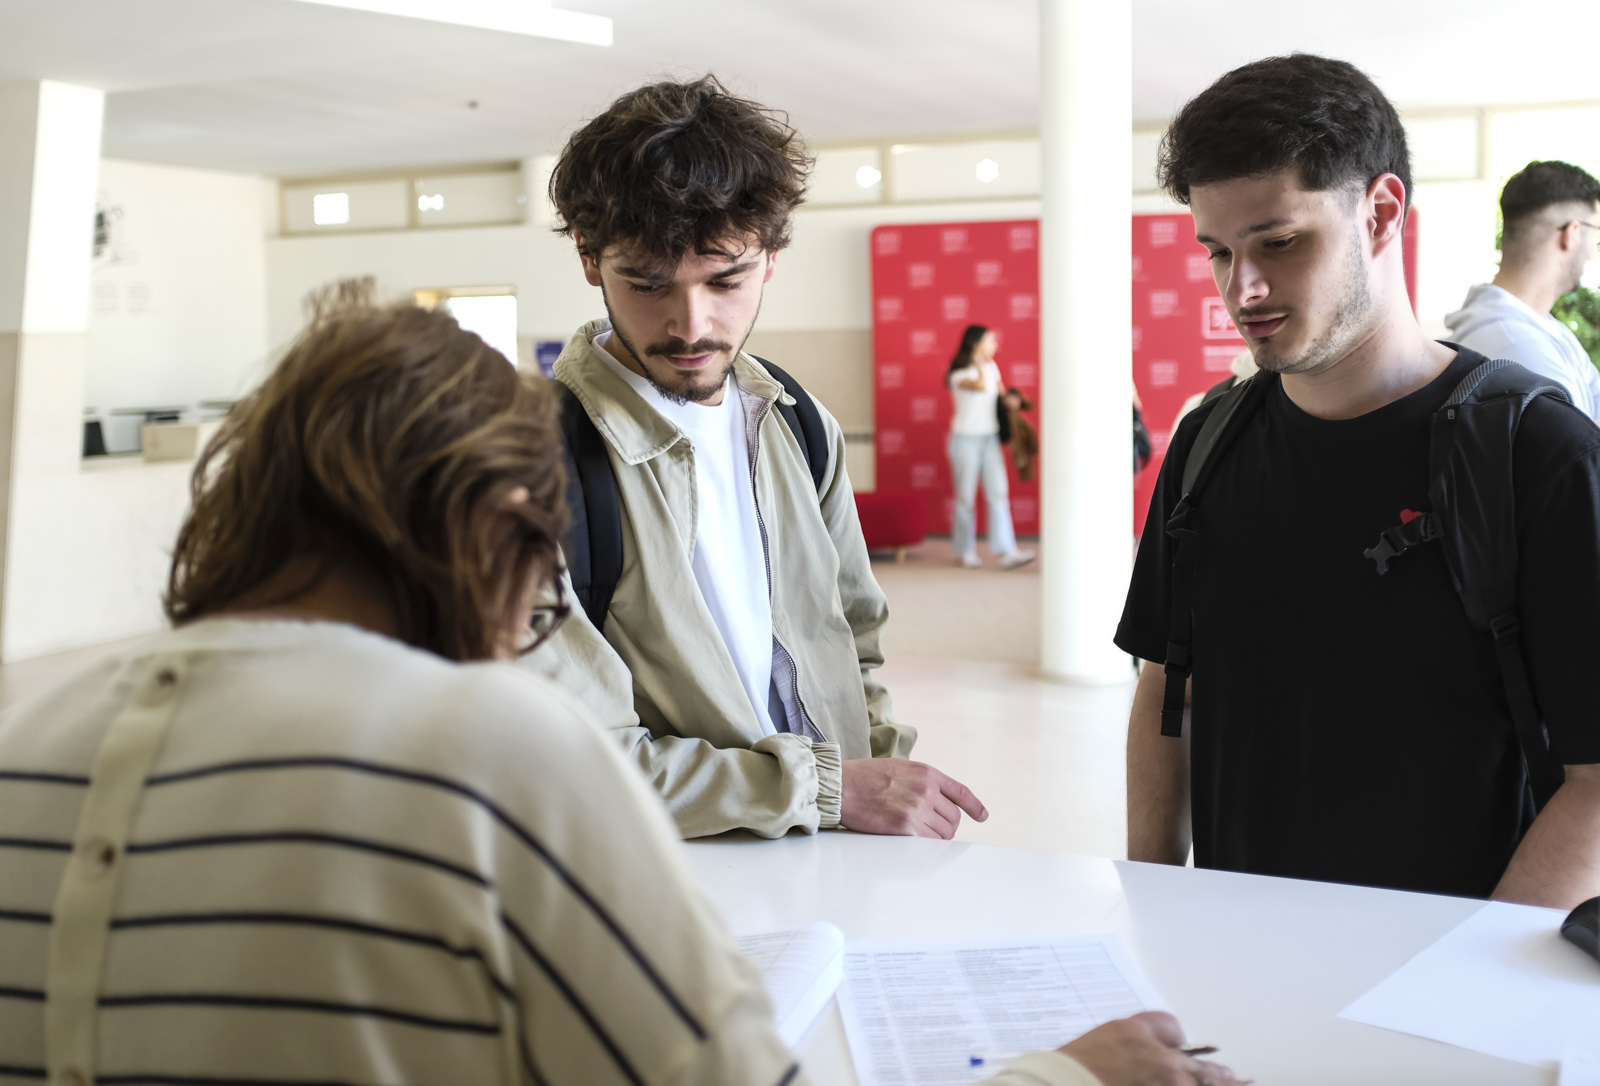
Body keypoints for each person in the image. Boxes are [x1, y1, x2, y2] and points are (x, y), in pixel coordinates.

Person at [0, 291, 1243, 1086]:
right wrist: (1071, 1077)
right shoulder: (489, 755)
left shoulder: (31, 732)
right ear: (494, 532)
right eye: (541, 590)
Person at [1118, 54, 1600, 907]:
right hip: (1237, 957)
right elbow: (1169, 690)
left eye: (1280, 243)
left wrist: (1458, 990)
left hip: (1447, 980)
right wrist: (1155, 908)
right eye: (1219, 253)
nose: (1244, 289)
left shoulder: (1539, 453)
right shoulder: (1207, 443)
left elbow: (1595, 784)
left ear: (1381, 213)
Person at [532, 76, 988, 842]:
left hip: (836, 856)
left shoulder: (797, 422)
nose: (691, 323)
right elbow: (574, 763)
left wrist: (875, 786)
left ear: (771, 257)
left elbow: (853, 646)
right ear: (588, 259)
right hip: (678, 882)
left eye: (726, 279)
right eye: (647, 284)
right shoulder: (536, 467)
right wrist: (826, 791)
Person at [1445, 160, 1600, 419]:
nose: (1594, 251)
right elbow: (1585, 455)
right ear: (1571, 233)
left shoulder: (1545, 328)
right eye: (1596, 235)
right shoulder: (1514, 345)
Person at [946, 324, 1037, 570]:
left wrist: (1012, 400)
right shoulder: (958, 372)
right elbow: (978, 386)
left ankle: (1007, 551)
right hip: (964, 440)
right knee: (965, 498)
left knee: (998, 494)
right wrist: (978, 361)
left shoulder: (991, 367)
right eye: (990, 341)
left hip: (990, 439)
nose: (995, 345)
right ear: (976, 344)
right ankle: (965, 551)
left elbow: (999, 395)